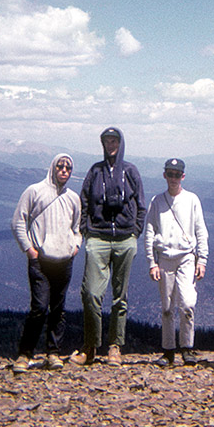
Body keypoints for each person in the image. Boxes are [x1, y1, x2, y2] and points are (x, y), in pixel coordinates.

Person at [71, 127, 145, 366]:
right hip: (98, 238)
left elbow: (141, 204)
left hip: (125, 239)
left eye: (114, 140)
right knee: (91, 293)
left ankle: (115, 346)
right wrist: (85, 230)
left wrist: (136, 232)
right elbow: (83, 200)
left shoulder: (130, 171)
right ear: (102, 144)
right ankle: (90, 346)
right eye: (107, 141)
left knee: (119, 297)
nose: (110, 144)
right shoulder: (95, 171)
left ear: (120, 143)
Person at [10, 153, 81, 373]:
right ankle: (24, 354)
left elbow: (77, 228)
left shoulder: (73, 198)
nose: (64, 171)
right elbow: (18, 222)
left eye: (68, 168)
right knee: (39, 308)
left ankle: (53, 353)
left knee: (58, 309)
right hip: (40, 260)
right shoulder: (34, 191)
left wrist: (75, 246)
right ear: (52, 168)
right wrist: (29, 250)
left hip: (64, 261)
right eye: (60, 166)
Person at [144, 158, 209, 366]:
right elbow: (149, 232)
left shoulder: (192, 200)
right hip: (164, 257)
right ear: (164, 175)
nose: (173, 178)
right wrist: (152, 262)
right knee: (167, 307)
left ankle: (187, 348)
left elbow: (201, 231)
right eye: (169, 174)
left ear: (183, 176)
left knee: (188, 303)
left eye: (177, 174)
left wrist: (203, 259)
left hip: (186, 257)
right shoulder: (157, 201)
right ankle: (168, 350)